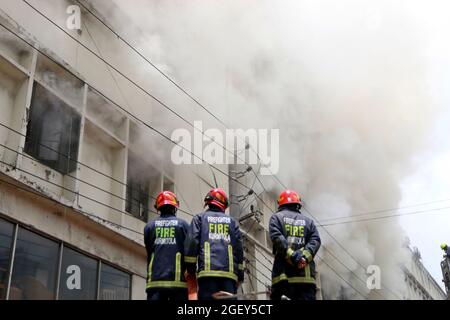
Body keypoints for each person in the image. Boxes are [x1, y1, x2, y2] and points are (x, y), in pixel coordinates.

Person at [184, 188, 244, 300]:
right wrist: (240, 275)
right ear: (223, 205)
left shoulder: (199, 219)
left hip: (207, 277)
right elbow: (239, 251)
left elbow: (191, 245)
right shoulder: (232, 222)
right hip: (229, 278)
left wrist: (191, 270)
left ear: (208, 202)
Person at [269, 190, 321, 300]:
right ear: (298, 205)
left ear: (280, 204)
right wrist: (304, 258)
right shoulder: (309, 222)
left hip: (284, 279)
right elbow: (315, 241)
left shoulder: (276, 218)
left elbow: (278, 239)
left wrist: (293, 256)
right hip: (305, 281)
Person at [144, 191, 189, 300]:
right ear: (175, 207)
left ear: (158, 208)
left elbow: (149, 250)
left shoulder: (149, 226)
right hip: (177, 283)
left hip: (155, 283)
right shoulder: (183, 225)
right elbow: (189, 251)